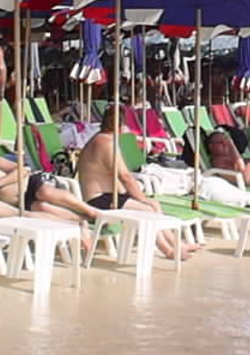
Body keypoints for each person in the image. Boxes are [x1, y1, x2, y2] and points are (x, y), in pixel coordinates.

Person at [75, 108, 193, 257]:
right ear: (120, 126)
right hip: (99, 199)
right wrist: (142, 199)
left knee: (155, 205)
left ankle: (177, 244)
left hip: (109, 195)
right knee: (148, 210)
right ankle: (167, 249)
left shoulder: (100, 139)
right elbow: (125, 176)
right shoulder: (106, 143)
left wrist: (143, 199)